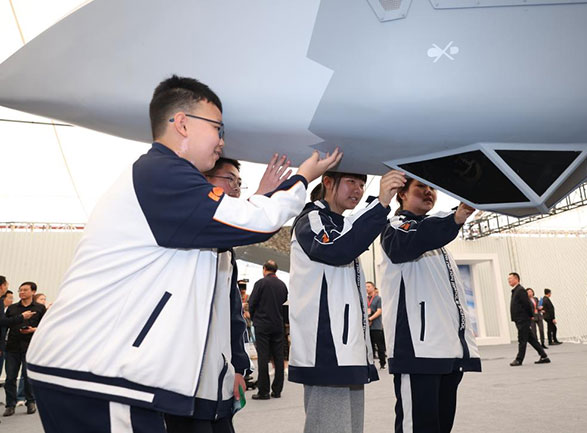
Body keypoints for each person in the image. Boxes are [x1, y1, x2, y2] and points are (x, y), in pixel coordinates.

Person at [25, 75, 341, 433]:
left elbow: (234, 222)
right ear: (182, 123)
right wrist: (302, 178)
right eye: (217, 128)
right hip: (98, 374)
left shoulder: (161, 179)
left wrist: (264, 196)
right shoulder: (162, 174)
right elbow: (254, 222)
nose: (222, 140)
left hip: (95, 372)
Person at [289, 169, 405, 433]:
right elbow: (336, 249)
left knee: (350, 427)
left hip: (348, 346)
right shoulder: (311, 218)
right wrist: (380, 204)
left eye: (362, 184)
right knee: (330, 427)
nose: (358, 189)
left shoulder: (343, 224)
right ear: (328, 182)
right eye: (351, 182)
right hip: (326, 348)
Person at [376, 179, 481, 433]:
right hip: (418, 352)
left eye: (432, 188)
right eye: (420, 187)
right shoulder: (395, 227)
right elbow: (415, 239)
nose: (428, 192)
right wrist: (456, 217)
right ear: (402, 194)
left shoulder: (438, 238)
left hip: (448, 352)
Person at [3, 282, 46, 417]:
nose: (21, 292)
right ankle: (10, 405)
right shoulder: (12, 308)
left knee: (28, 377)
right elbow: (5, 325)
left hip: (31, 347)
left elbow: (45, 326)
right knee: (10, 378)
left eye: (25, 290)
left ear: (33, 292)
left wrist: (33, 330)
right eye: (20, 290)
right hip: (12, 346)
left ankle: (30, 402)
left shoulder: (40, 308)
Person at [248, 260, 288, 400]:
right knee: (278, 357)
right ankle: (277, 390)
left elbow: (252, 303)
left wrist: (254, 318)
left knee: (263, 357)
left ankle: (263, 391)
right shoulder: (282, 285)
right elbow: (284, 304)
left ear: (264, 269)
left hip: (262, 325)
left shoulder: (260, 283)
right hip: (278, 325)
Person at [508, 273, 550, 366]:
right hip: (520, 319)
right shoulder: (516, 290)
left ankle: (519, 359)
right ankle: (544, 356)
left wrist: (530, 316)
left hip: (522, 319)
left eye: (510, 278)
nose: (509, 281)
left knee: (522, 339)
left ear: (516, 279)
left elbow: (526, 304)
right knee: (531, 339)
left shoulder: (520, 290)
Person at [365, 281, 386, 370]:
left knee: (379, 345)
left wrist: (370, 319)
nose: (367, 288)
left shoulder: (378, 299)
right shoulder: (365, 298)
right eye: (365, 287)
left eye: (369, 286)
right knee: (369, 346)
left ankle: (382, 363)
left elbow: (379, 311)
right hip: (367, 327)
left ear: (373, 288)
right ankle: (370, 363)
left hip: (376, 326)